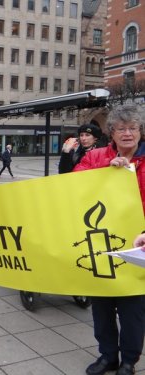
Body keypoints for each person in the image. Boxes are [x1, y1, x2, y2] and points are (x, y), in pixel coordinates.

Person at [73, 104, 144, 375]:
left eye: (133, 128)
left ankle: (128, 361)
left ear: (140, 131)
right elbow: (75, 184)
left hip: (138, 247)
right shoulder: (96, 156)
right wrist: (105, 167)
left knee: (133, 311)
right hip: (100, 244)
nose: (127, 133)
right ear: (111, 132)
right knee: (101, 307)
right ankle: (107, 356)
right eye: (121, 128)